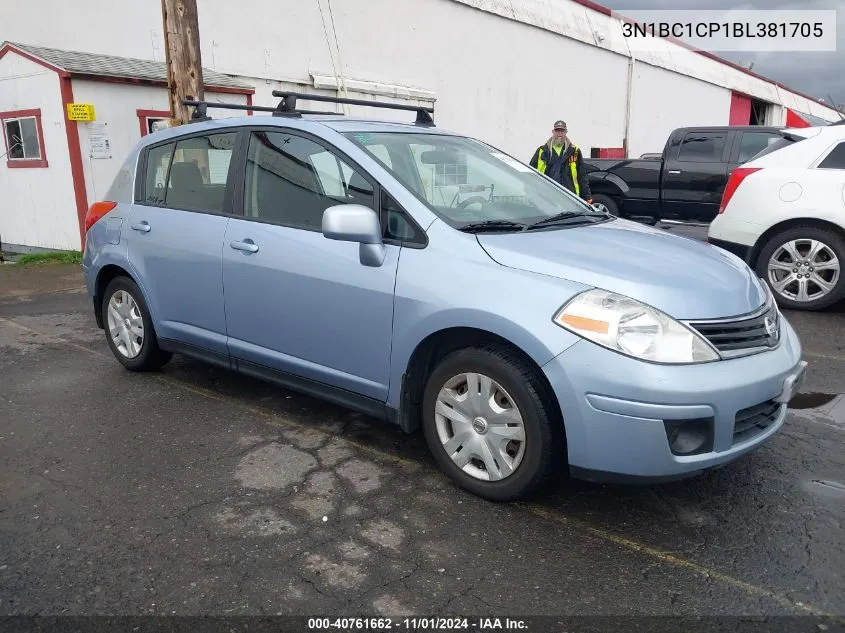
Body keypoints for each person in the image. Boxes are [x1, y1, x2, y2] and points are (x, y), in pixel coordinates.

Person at [529, 120, 592, 203]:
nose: (559, 134)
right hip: (546, 197)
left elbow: (582, 176)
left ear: (566, 132)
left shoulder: (574, 151)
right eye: (557, 131)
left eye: (562, 131)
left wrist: (587, 196)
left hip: (569, 196)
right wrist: (529, 192)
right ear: (553, 132)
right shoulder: (542, 151)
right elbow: (531, 173)